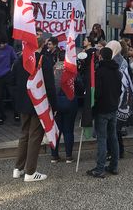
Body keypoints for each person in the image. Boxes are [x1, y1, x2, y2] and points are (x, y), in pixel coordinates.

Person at [12, 36, 56, 182]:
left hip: (23, 102)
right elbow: (50, 86)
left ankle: (18, 168)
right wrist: (54, 105)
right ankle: (30, 171)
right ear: (43, 45)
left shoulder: (21, 59)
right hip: (39, 103)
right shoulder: (44, 61)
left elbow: (13, 80)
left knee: (24, 134)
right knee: (35, 136)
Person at [87, 47, 121, 178]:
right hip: (113, 107)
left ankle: (100, 168)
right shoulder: (117, 72)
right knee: (113, 137)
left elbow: (98, 92)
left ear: (101, 57)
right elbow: (119, 91)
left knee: (102, 138)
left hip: (102, 109)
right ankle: (114, 165)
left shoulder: (99, 72)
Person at [50, 50, 79, 164]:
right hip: (70, 101)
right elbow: (79, 84)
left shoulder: (53, 69)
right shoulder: (72, 69)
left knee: (56, 130)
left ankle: (54, 156)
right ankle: (68, 156)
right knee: (68, 130)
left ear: (58, 58)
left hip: (56, 102)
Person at [0, 34, 17, 123]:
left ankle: (16, 113)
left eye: (2, 44)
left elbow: (15, 59)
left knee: (13, 95)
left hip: (7, 74)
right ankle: (2, 115)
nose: (1, 45)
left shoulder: (10, 49)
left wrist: (11, 70)